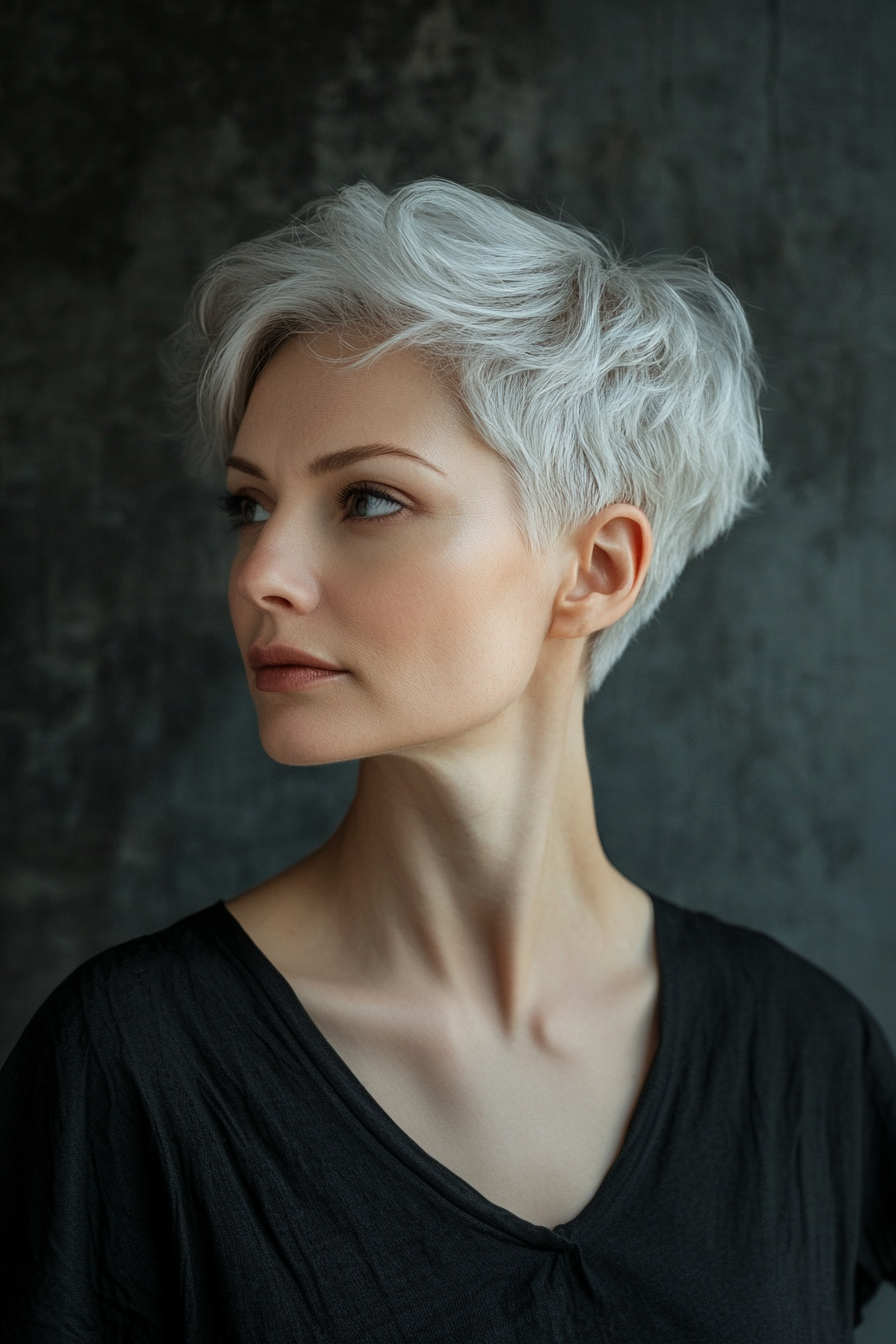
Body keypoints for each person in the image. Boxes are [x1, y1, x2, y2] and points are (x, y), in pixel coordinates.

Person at [1, 179, 893, 1343]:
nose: (261, 573)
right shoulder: (129, 1065)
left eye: (366, 499)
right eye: (247, 504)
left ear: (598, 568)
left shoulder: (804, 1060)